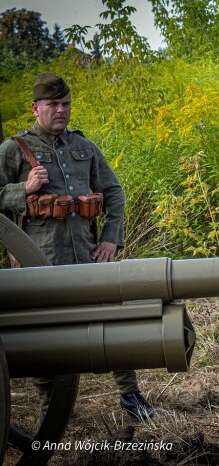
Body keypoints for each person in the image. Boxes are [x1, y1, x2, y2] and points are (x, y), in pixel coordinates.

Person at [0, 72, 156, 420]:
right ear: (35, 107)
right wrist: (21, 190)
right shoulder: (14, 149)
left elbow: (114, 192)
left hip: (86, 254)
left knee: (110, 321)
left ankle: (131, 396)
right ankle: (49, 412)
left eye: (66, 104)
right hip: (38, 261)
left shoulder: (83, 147)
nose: (61, 110)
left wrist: (111, 238)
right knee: (44, 336)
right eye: (53, 104)